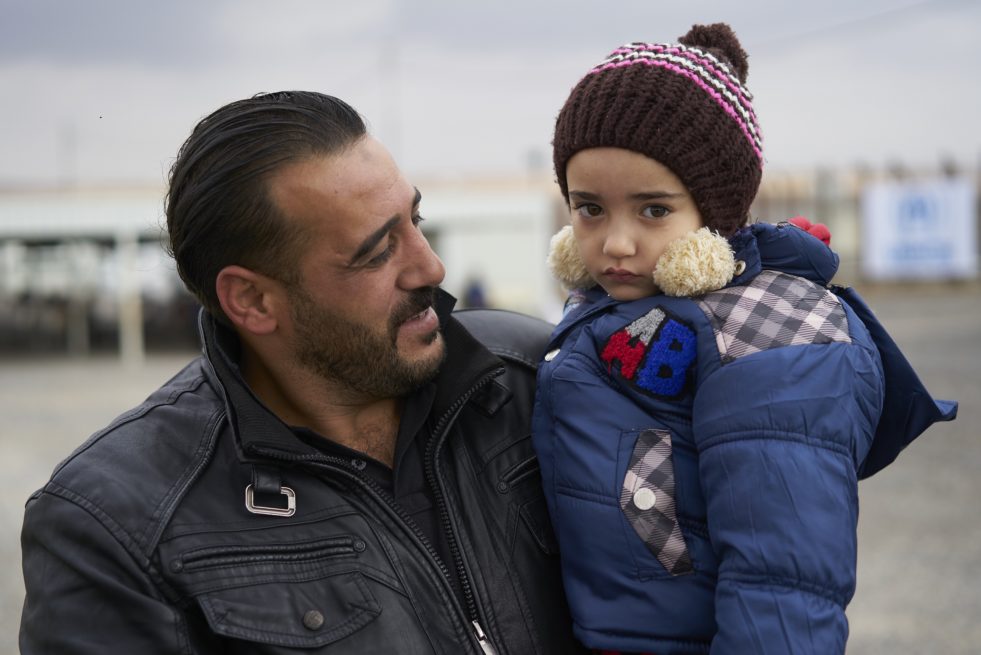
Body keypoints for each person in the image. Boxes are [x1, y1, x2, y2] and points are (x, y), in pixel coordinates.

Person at [20, 91, 586, 654]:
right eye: (376, 253)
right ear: (252, 300)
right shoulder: (117, 526)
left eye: (416, 220)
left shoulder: (543, 377)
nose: (430, 267)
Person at [531, 23, 957, 654]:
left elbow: (783, 582)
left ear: (716, 212)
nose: (616, 243)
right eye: (590, 207)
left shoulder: (767, 337)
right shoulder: (614, 308)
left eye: (653, 210)